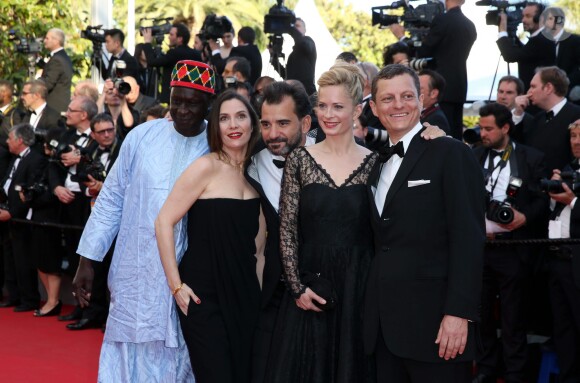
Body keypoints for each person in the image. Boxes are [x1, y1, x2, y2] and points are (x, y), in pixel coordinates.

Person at [72, 60, 215, 382]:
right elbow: (111, 199)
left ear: (208, 103)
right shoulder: (142, 136)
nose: (182, 111)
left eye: (192, 103)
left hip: (190, 273)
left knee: (184, 353)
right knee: (129, 350)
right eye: (177, 101)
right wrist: (87, 260)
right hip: (134, 269)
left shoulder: (217, 143)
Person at [365, 64, 485, 381]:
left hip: (437, 329)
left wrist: (459, 313)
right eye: (388, 99)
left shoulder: (452, 153)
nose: (399, 105)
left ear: (421, 100)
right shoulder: (375, 163)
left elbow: (469, 240)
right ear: (374, 108)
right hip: (384, 331)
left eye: (407, 96)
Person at [265, 62, 378, 382]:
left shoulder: (374, 163)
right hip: (310, 283)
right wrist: (297, 287)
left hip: (358, 286)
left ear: (356, 110)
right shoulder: (300, 160)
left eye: (338, 106)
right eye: (322, 105)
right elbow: (286, 228)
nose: (327, 114)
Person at [156, 91, 263, 382]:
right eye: (224, 118)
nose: (233, 125)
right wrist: (176, 286)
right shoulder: (206, 167)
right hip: (203, 295)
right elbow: (164, 221)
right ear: (215, 127)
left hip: (245, 293)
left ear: (253, 123)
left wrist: (261, 296)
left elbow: (259, 248)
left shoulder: (258, 173)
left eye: (241, 116)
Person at [471, 103, 548, 383]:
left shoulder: (530, 158)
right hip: (480, 248)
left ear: (505, 128)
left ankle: (516, 374)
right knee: (480, 314)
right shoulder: (473, 155)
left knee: (513, 317)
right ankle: (487, 368)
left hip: (513, 248)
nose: (484, 133)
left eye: (489, 128)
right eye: (481, 127)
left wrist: (524, 218)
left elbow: (542, 200)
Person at [389, 0, 477, 140]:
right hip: (459, 87)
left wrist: (402, 37)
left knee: (439, 135)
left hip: (439, 86)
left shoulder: (443, 20)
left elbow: (424, 51)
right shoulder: (469, 25)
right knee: (455, 134)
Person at [67, 113, 122, 331]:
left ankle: (112, 317)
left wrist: (104, 187)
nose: (107, 134)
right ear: (93, 134)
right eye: (102, 131)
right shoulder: (89, 152)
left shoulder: (123, 149)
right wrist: (89, 188)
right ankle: (92, 313)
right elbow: (79, 179)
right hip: (93, 216)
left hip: (119, 220)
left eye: (110, 129)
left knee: (113, 270)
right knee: (94, 267)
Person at [546, 119, 580, 383]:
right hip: (558, 259)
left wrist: (573, 201)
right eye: (573, 137)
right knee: (563, 328)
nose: (576, 142)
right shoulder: (570, 169)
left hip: (576, 260)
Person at [0, 123, 46, 312]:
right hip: (7, 212)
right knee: (9, 258)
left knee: (23, 259)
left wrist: (12, 212)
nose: (7, 142)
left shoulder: (35, 159)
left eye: (10, 138)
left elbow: (28, 191)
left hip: (21, 218)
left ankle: (29, 299)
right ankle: (15, 295)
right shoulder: (15, 158)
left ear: (19, 140)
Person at [513, 66, 580, 171]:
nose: (529, 92)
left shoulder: (576, 116)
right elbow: (520, 148)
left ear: (548, 88)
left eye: (533, 86)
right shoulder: (538, 118)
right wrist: (518, 114)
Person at [496, 2, 554, 93]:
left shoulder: (540, 40)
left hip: (537, 96)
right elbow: (525, 53)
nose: (523, 20)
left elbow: (510, 56)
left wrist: (502, 30)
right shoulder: (543, 37)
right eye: (523, 16)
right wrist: (513, 35)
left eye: (528, 16)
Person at [142, 23, 202, 103]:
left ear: (180, 38)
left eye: (171, 34)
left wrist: (147, 42)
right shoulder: (196, 54)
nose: (169, 37)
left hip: (174, 96)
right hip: (191, 95)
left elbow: (152, 62)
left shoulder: (174, 53)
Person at [270, 18, 317, 95]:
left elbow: (303, 44)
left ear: (305, 30)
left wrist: (290, 28)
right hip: (294, 94)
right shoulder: (292, 55)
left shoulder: (309, 41)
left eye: (297, 26)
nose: (295, 28)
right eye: (293, 26)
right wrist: (273, 56)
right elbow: (286, 76)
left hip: (307, 95)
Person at [20, 80, 64, 153]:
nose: (22, 97)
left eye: (25, 93)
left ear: (36, 96)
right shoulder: (24, 114)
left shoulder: (54, 117)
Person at [39, 28, 73, 114]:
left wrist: (37, 82)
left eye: (47, 38)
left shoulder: (57, 59)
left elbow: (49, 83)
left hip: (54, 107)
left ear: (56, 41)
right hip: (58, 105)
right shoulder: (62, 57)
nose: (44, 41)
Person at [419, 69, 450, 135]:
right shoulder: (427, 113)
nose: (413, 91)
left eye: (419, 88)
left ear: (433, 93)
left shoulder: (436, 119)